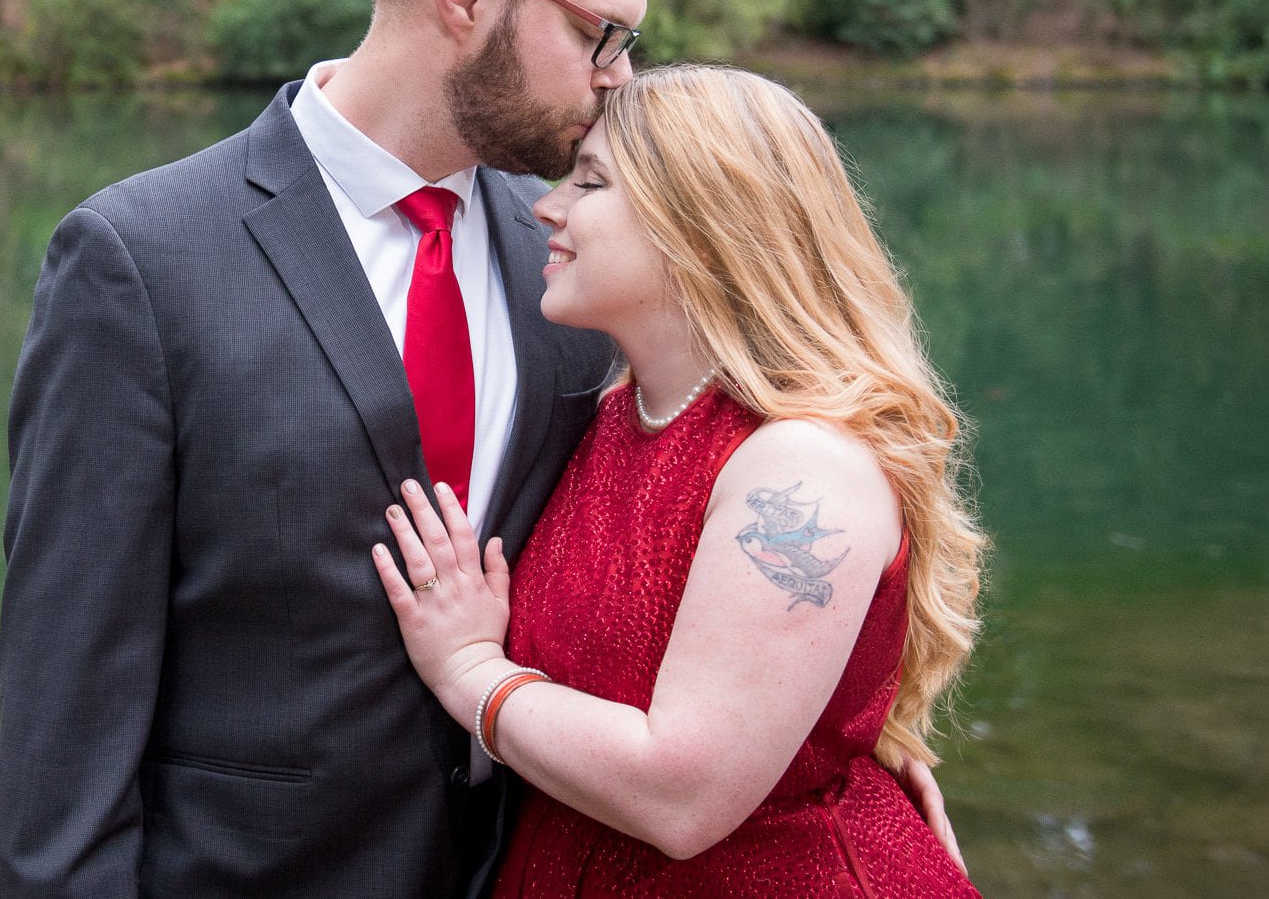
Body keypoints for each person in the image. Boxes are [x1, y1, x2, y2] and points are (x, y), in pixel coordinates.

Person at [0, 0, 670, 898]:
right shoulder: (140, 259)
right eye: (601, 32)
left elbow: (676, 501)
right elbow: (66, 705)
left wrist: (833, 722)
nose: (618, 77)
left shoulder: (570, 256)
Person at [373, 64, 987, 897]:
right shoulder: (618, 420)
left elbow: (684, 798)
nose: (545, 205)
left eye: (590, 181)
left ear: (700, 223)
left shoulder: (800, 466)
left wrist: (470, 672)